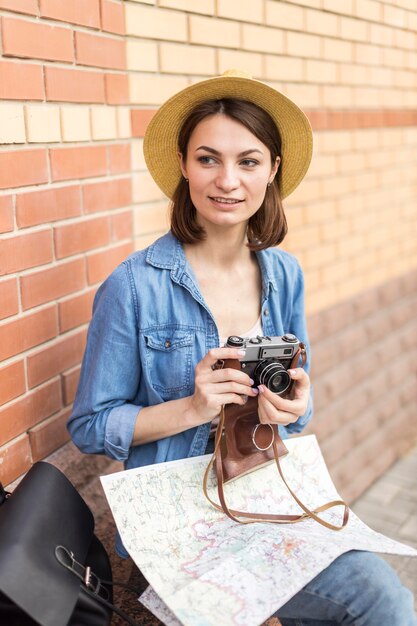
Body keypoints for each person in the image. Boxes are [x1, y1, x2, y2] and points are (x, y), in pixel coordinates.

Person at [68, 70, 416, 625]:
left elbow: (299, 414)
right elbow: (89, 426)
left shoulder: (285, 273)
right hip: (178, 522)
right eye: (208, 159)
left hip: (269, 498)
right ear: (183, 165)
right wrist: (191, 408)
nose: (227, 180)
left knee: (389, 604)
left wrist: (295, 407)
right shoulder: (134, 286)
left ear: (272, 170)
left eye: (248, 161)